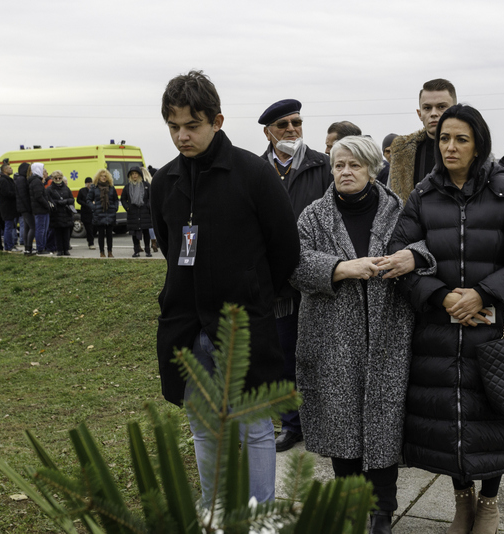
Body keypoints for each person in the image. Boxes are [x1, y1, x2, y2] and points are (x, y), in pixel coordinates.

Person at [151, 70, 299, 505]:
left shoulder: (254, 174)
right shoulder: (165, 182)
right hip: (185, 326)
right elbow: (170, 245)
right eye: (173, 126)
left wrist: (254, 292)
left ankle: (258, 516)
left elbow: (285, 248)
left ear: (217, 121)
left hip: (242, 324)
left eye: (191, 125)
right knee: (203, 426)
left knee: (254, 426)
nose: (182, 136)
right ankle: (215, 508)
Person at [389, 104, 504, 534]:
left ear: (478, 145)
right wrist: (441, 297)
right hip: (439, 329)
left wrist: (481, 294)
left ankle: (488, 503)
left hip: (494, 328)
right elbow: (400, 260)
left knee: (493, 417)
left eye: (461, 139)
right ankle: (462, 500)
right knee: (449, 419)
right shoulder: (423, 195)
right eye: (444, 139)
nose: (450, 147)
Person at [291, 135, 433, 534]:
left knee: (383, 426)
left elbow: (427, 248)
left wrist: (412, 256)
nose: (345, 172)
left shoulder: (398, 210)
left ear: (372, 169)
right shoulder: (313, 216)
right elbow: (293, 264)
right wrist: (341, 268)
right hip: (333, 338)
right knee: (342, 426)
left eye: (354, 165)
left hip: (388, 335)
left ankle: (382, 511)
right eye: (339, 165)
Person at [259, 98, 333, 452]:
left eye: (296, 122)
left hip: (318, 275)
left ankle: (329, 420)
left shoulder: (323, 165)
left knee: (324, 353)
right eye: (283, 125)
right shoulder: (257, 170)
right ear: (268, 133)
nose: (291, 129)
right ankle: (292, 424)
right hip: (278, 282)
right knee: (284, 354)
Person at [388, 79, 457, 203]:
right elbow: (392, 203)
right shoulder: (401, 153)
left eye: (441, 107)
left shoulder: (474, 150)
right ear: (419, 114)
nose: (434, 113)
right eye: (427, 108)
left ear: (455, 110)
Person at [120, 166, 153, 257]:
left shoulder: (146, 185)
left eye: (136, 174)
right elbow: (123, 199)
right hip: (133, 213)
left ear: (139, 175)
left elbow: (151, 197)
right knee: (134, 233)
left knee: (146, 232)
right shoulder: (127, 187)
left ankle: (147, 250)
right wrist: (127, 207)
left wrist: (148, 206)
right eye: (132, 174)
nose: (134, 175)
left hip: (144, 212)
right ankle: (136, 251)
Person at [87, 169, 119, 258]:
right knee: (101, 234)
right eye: (101, 176)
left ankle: (110, 252)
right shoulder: (94, 187)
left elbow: (116, 199)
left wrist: (115, 208)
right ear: (98, 177)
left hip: (110, 213)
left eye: (105, 176)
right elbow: (88, 200)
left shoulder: (111, 187)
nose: (103, 178)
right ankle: (102, 252)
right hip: (99, 213)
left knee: (109, 234)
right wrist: (94, 208)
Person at [47, 170, 75, 256]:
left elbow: (72, 199)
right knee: (58, 234)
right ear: (53, 178)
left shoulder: (66, 188)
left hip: (66, 214)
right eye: (56, 178)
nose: (58, 180)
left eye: (59, 178)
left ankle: (66, 249)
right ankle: (59, 250)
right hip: (56, 214)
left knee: (66, 234)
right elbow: (49, 200)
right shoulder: (49, 189)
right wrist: (58, 202)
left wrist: (66, 201)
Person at [28, 163, 53, 255]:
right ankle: (40, 248)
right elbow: (39, 196)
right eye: (42, 169)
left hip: (42, 209)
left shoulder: (37, 181)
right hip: (40, 209)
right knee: (41, 230)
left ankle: (43, 247)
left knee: (44, 230)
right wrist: (47, 205)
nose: (43, 171)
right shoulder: (36, 182)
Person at [0, 162, 19, 252]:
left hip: (10, 208)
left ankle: (10, 245)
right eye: (9, 168)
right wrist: (17, 194)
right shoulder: (3, 180)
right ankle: (9, 246)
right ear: (5, 170)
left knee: (10, 227)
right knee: (8, 227)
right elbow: (6, 193)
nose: (11, 169)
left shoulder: (8, 179)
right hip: (7, 208)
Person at [14, 162, 35, 255]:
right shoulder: (22, 180)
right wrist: (29, 208)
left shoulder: (20, 179)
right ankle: (29, 247)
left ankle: (27, 247)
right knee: (33, 227)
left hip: (23, 207)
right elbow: (24, 196)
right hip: (25, 208)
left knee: (27, 227)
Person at [77, 177, 95, 250]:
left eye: (91, 183)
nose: (90, 184)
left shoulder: (94, 190)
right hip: (86, 212)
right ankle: (91, 243)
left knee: (93, 228)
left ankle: (91, 240)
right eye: (88, 183)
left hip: (93, 212)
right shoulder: (82, 191)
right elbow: (78, 200)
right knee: (89, 228)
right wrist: (86, 204)